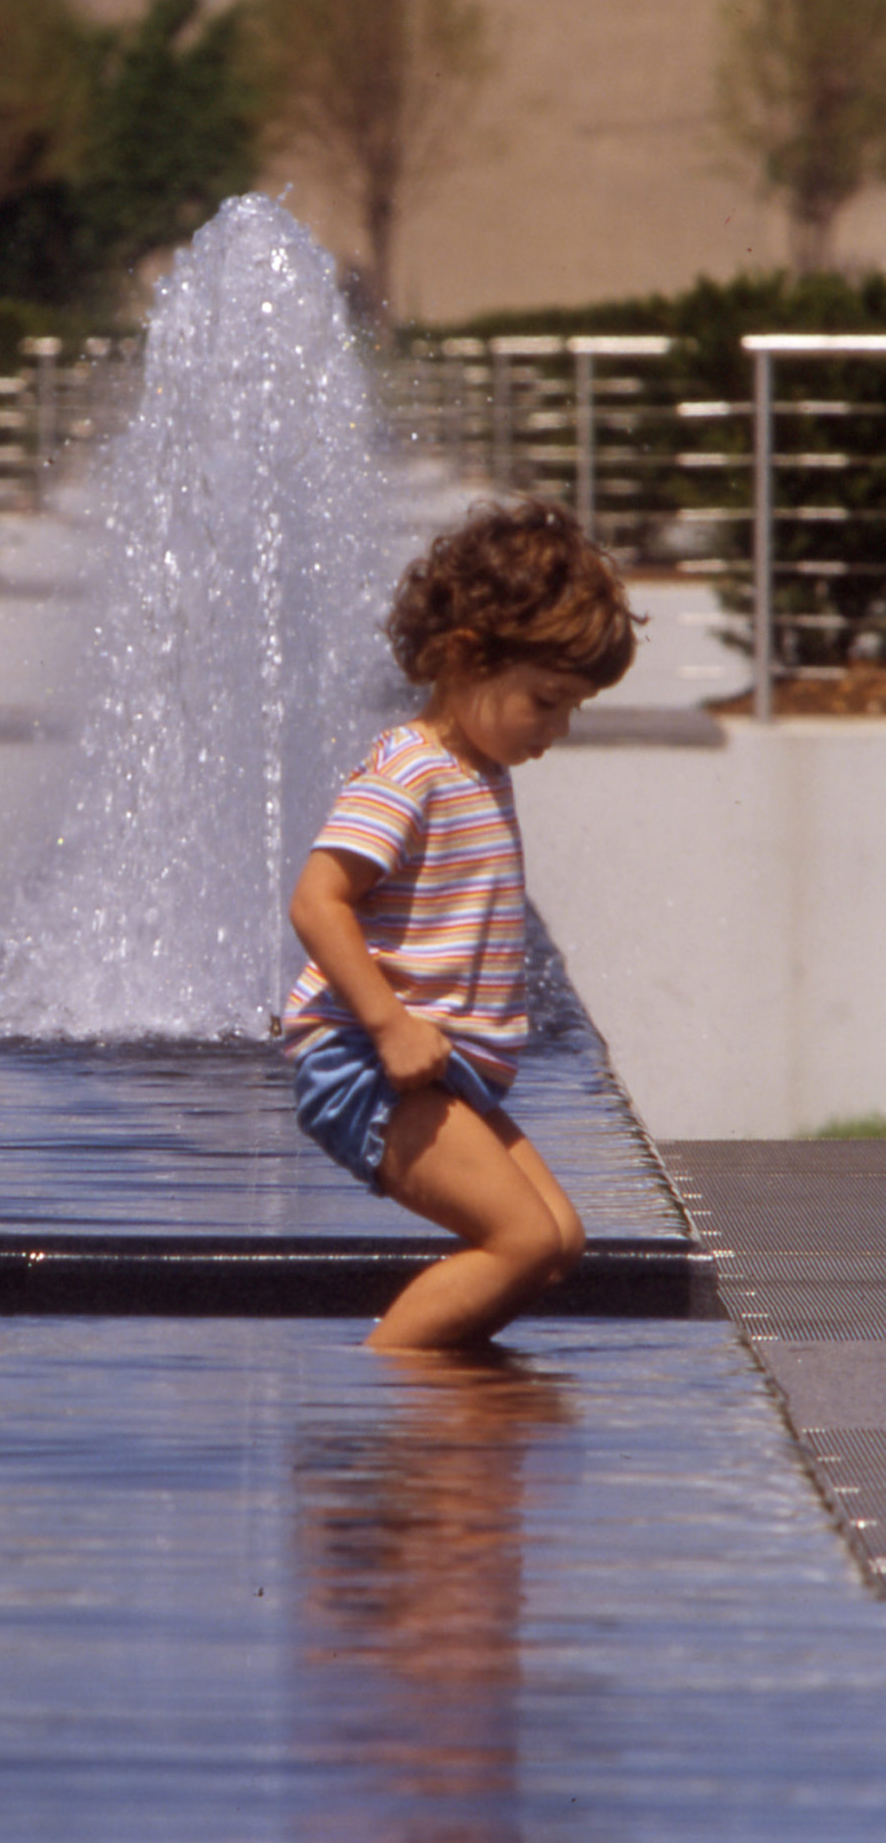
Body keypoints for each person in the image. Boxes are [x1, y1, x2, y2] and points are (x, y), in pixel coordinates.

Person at [283, 498, 640, 1351]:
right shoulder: (408, 769)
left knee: (556, 1243)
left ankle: (458, 1395)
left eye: (571, 710)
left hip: (442, 1073)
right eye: (545, 701)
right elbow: (315, 900)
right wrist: (389, 1024)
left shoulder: (475, 768)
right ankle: (396, 1385)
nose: (556, 730)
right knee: (519, 1241)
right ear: (463, 656)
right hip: (367, 1063)